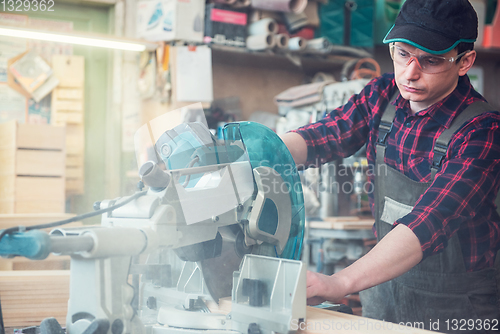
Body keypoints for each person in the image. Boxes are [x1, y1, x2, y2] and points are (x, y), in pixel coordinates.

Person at [281, 0, 500, 332]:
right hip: (385, 294)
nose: (410, 73)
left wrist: (340, 283)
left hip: (458, 307)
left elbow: (430, 222)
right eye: (402, 54)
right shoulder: (383, 94)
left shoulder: (483, 130)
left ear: (464, 61)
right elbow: (325, 135)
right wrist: (260, 150)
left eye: (431, 61)